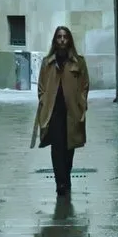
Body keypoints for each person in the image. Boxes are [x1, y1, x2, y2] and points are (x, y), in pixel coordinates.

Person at [32, 25, 89, 196]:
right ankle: (60, 183)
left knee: (69, 147)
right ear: (55, 40)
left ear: (69, 40)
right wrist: (43, 101)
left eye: (65, 37)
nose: (62, 40)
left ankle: (66, 176)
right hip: (53, 111)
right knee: (56, 147)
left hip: (71, 111)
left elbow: (84, 85)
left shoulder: (79, 62)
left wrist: (81, 103)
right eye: (59, 37)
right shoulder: (47, 63)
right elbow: (41, 87)